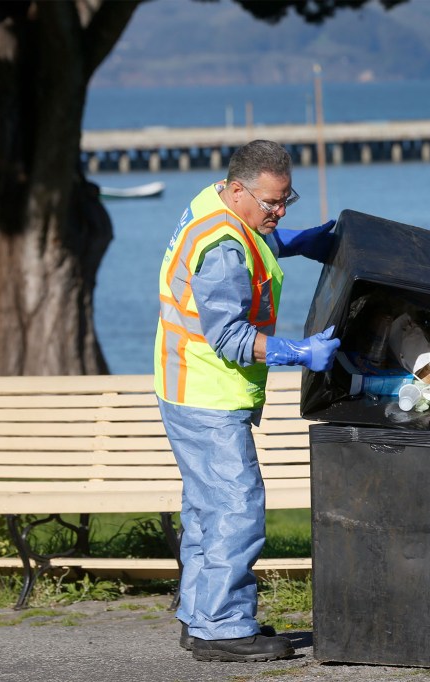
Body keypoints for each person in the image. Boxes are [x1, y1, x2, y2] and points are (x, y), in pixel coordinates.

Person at [153, 140, 340, 663]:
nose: (278, 213)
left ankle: (200, 615)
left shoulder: (216, 206)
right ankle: (222, 628)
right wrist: (298, 352)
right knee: (238, 507)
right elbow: (230, 337)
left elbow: (253, 244)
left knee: (208, 509)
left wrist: (295, 242)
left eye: (287, 202)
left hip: (184, 385)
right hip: (207, 392)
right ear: (239, 189)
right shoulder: (223, 245)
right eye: (272, 204)